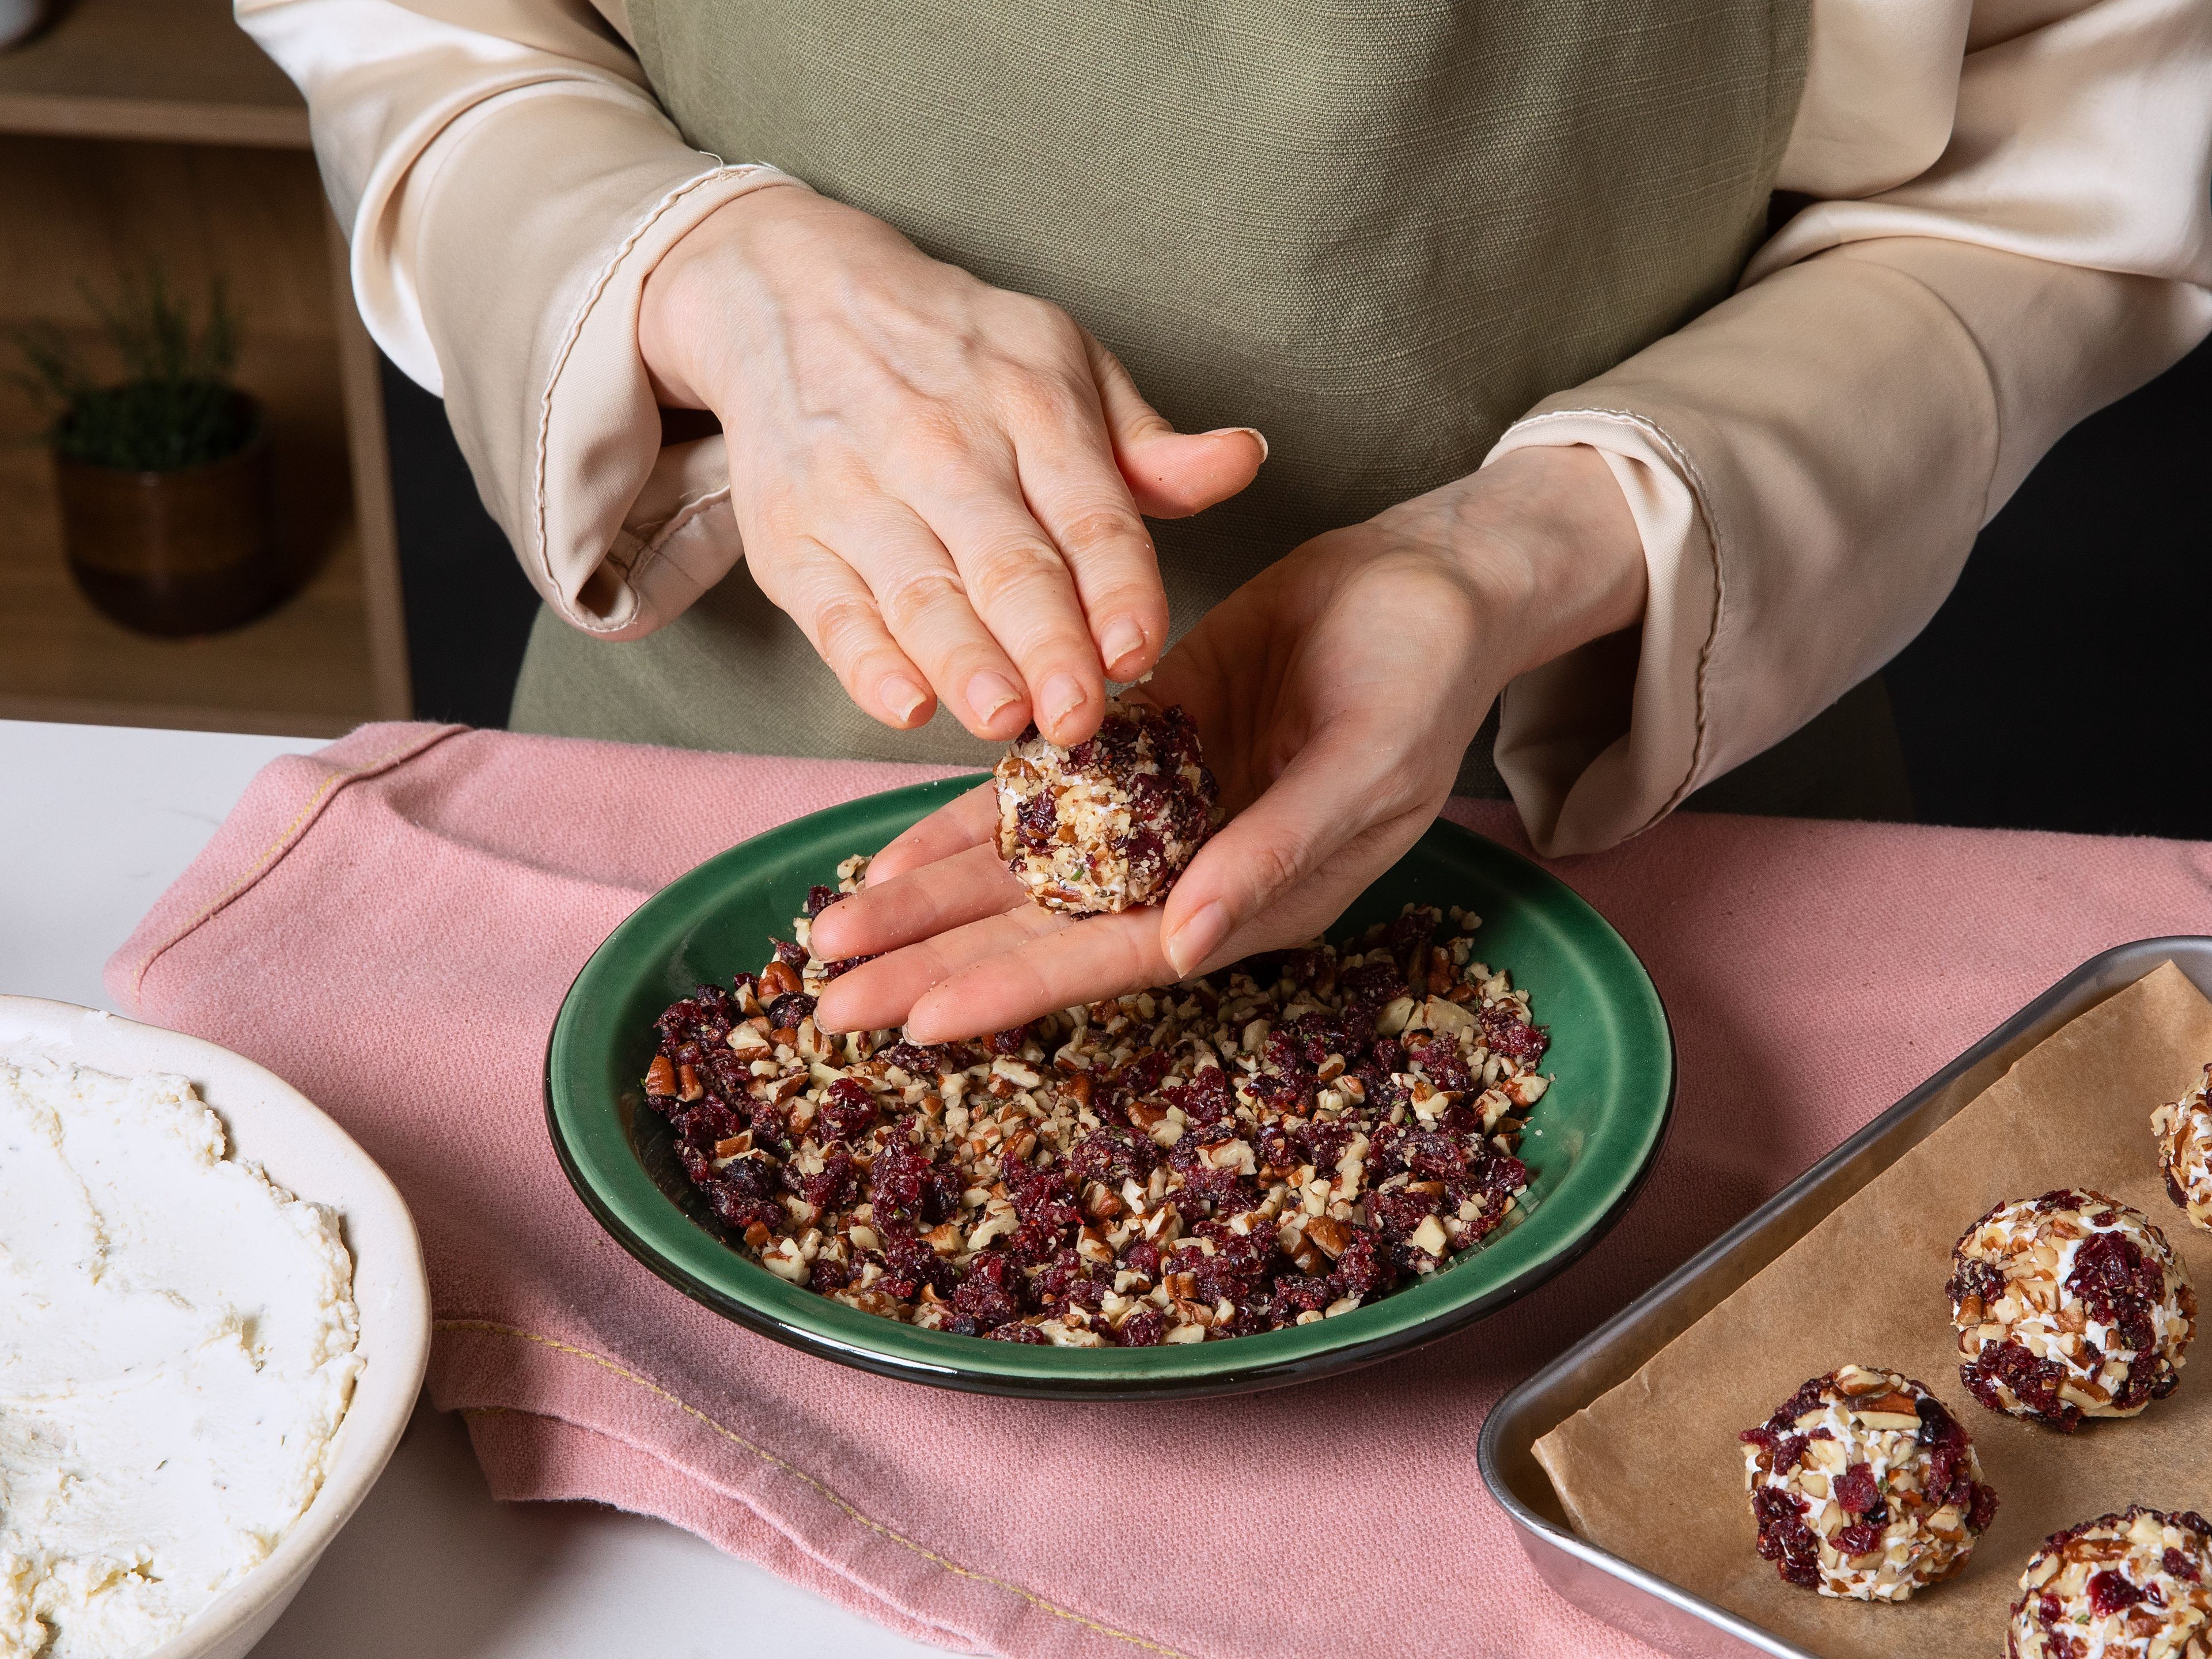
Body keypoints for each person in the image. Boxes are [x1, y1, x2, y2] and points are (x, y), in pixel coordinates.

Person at [245, 0, 2210, 1038]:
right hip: (716, 823)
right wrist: (708, 264)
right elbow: (417, 24)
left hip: (1618, 834)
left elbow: (2055, 185)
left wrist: (1530, 548)